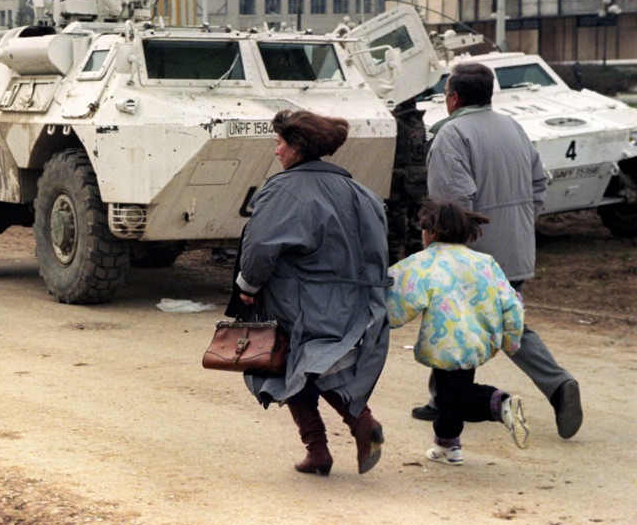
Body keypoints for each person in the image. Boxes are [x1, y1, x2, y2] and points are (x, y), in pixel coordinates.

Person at [415, 61, 583, 439]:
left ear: (453, 97)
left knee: (457, 325)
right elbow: (540, 184)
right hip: (517, 249)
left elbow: (450, 208)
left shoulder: (452, 135)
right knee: (501, 320)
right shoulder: (514, 128)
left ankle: (556, 385)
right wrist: (518, 223)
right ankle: (440, 398)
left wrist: (433, 253)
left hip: (472, 255)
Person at [227, 109, 391, 476]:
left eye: (279, 143)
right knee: (299, 368)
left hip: (299, 303)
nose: (275, 152)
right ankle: (320, 451)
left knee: (294, 366)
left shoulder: (283, 189)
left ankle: (357, 426)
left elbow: (259, 247)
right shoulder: (360, 191)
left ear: (297, 147)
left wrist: (247, 288)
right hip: (351, 302)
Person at [387, 199, 528, 465]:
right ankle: (448, 446)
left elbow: (396, 295)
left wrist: (377, 319)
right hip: (477, 342)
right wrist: (511, 339)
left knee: (454, 399)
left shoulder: (424, 263)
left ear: (432, 232)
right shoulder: (485, 262)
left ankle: (500, 402)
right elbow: (511, 303)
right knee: (449, 396)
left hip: (444, 343)